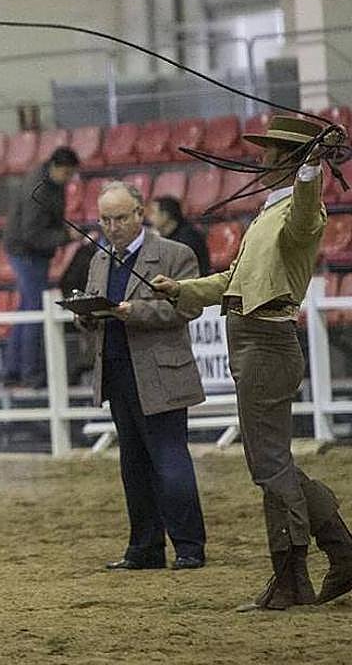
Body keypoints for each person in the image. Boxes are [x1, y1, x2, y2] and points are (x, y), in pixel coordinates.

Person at [152, 115, 352, 611]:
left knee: (268, 465)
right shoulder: (268, 214)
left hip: (266, 341)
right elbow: (233, 282)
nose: (260, 160)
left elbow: (306, 210)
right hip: (252, 339)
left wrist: (310, 171)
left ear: (290, 159)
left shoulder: (302, 211)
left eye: (271, 152)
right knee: (273, 462)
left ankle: (292, 576)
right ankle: (341, 553)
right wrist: (183, 290)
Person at [78, 181, 207, 571]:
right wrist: (85, 313)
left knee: (169, 461)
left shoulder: (175, 254)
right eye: (105, 219)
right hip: (118, 373)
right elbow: (97, 308)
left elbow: (187, 309)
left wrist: (136, 312)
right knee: (132, 464)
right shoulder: (100, 259)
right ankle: (145, 547)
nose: (112, 227)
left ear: (140, 214)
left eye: (119, 218)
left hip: (161, 374)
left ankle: (189, 546)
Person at [1, 145, 80, 387]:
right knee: (36, 311)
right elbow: (31, 234)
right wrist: (65, 237)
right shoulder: (39, 189)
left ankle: (13, 371)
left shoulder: (50, 183)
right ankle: (30, 373)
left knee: (27, 311)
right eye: (67, 174)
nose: (69, 180)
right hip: (27, 253)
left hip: (28, 252)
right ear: (58, 167)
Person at [149, 196, 211, 275]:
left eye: (153, 213)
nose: (150, 218)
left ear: (165, 216)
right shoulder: (168, 235)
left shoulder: (188, 238)